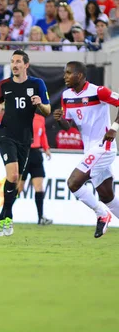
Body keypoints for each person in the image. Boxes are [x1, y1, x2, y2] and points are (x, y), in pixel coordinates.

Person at [54, 61, 119, 238]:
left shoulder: (98, 91)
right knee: (107, 196)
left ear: (80, 75)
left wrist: (114, 128)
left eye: (69, 73)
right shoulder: (66, 95)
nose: (65, 76)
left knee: (73, 183)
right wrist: (60, 119)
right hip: (89, 150)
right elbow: (68, 126)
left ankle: (101, 214)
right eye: (64, 73)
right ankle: (105, 209)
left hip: (104, 147)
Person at [0, 50, 51, 237]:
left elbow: (48, 110)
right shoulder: (4, 85)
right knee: (14, 174)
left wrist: (40, 104)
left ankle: (3, 215)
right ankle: (8, 216)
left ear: (26, 64)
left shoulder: (37, 84)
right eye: (12, 61)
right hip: (6, 135)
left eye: (18, 61)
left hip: (25, 139)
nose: (14, 65)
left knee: (15, 180)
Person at [16, 114, 53, 225]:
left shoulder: (40, 118)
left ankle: (41, 217)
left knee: (39, 186)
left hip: (36, 153)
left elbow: (43, 135)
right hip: (24, 152)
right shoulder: (21, 116)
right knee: (19, 187)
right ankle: (6, 212)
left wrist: (46, 148)